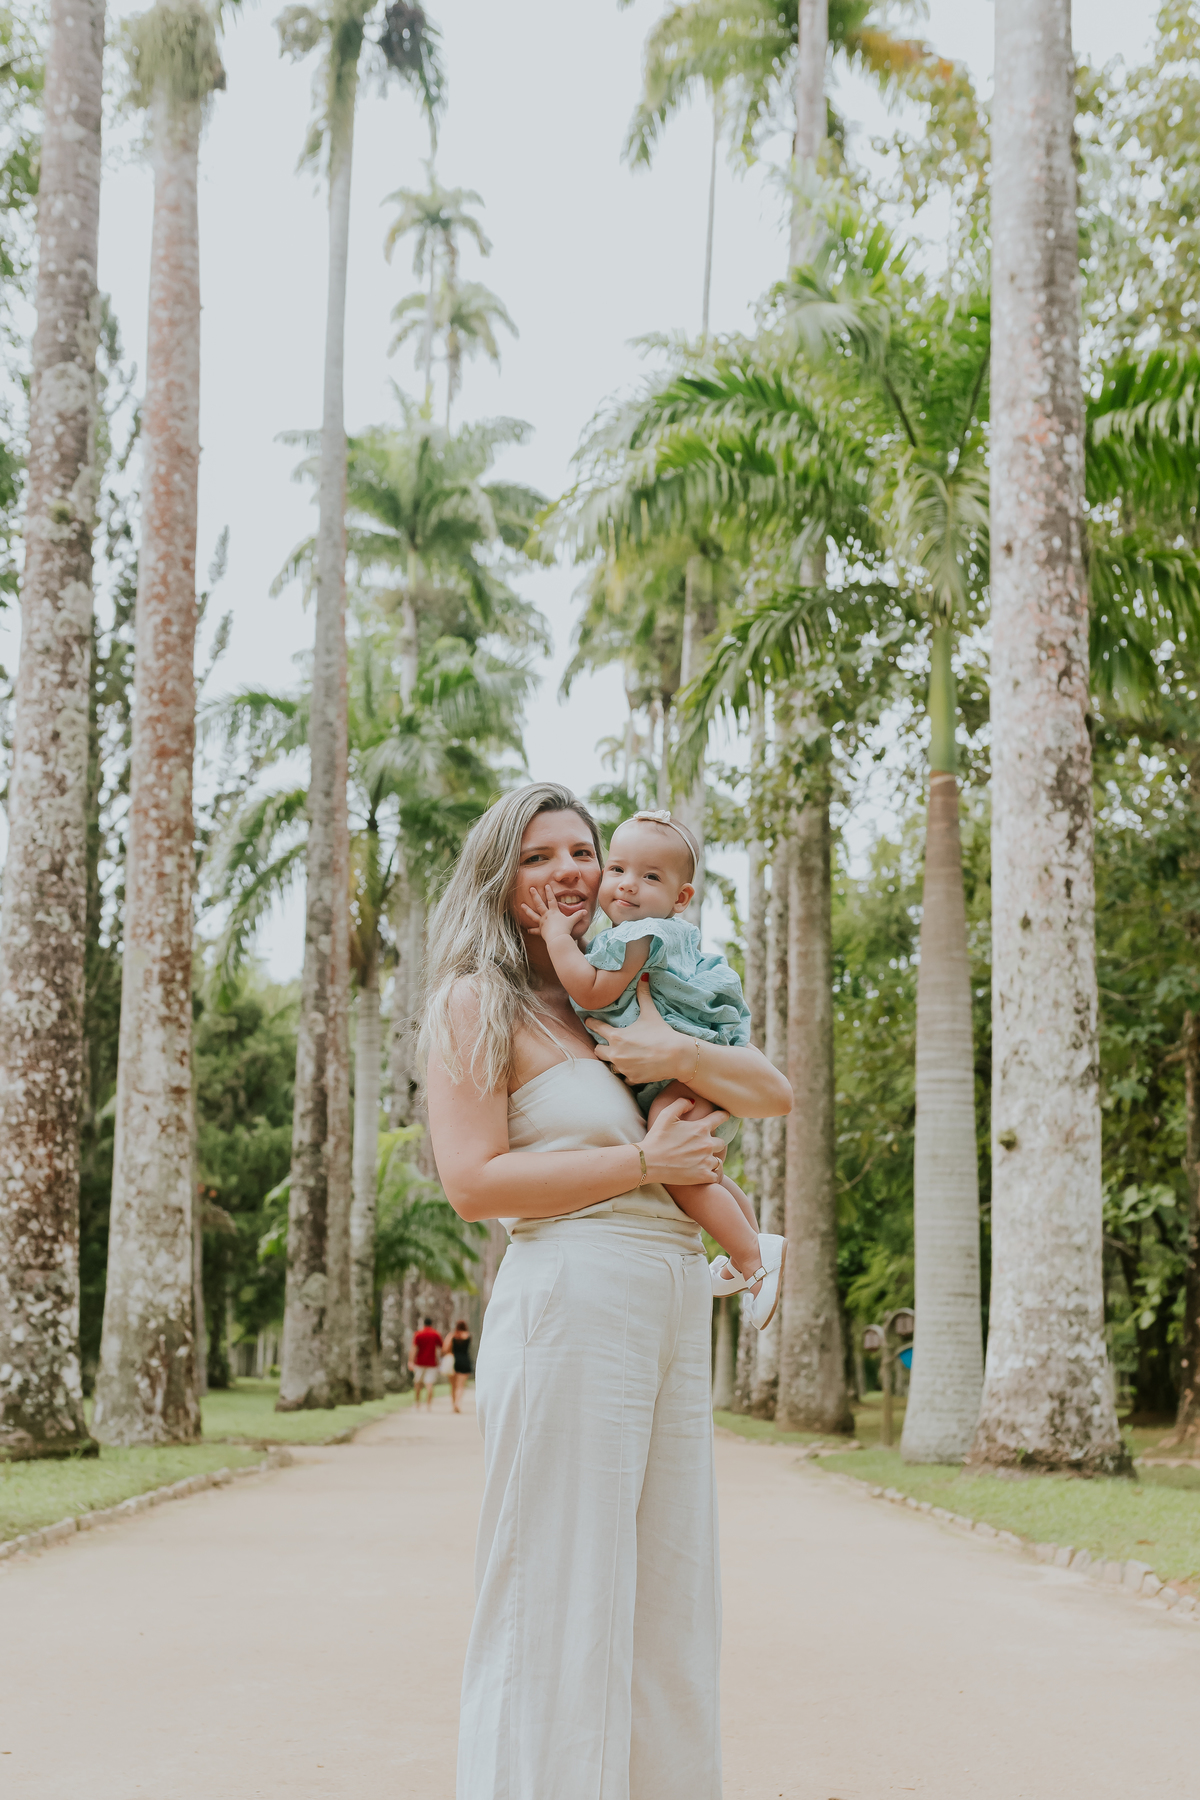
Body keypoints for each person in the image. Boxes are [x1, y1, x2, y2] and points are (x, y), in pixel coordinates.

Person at [423, 781, 791, 1800]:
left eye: (581, 851)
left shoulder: (626, 995)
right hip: (571, 1296)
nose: (569, 871)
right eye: (538, 856)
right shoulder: (476, 1002)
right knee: (559, 1589)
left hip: (669, 1298)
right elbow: (472, 1185)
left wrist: (679, 1051)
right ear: (502, 879)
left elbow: (772, 1092)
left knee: (671, 1599)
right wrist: (641, 1164)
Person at [521, 806, 785, 1327]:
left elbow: (592, 991)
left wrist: (556, 937)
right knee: (700, 1167)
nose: (627, 885)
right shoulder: (648, 934)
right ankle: (753, 1243)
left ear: (681, 898)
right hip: (686, 1068)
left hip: (682, 1070)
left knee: (677, 1167)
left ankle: (753, 1261)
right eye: (618, 869)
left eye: (650, 877)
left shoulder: (637, 935)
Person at [410, 1315, 442, 1408]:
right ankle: (428, 1404)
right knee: (429, 1384)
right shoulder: (435, 1334)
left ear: (423, 1324)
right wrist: (439, 1360)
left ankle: (417, 1403)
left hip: (419, 1362)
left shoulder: (418, 1334)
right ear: (431, 1324)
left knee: (418, 1384)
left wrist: (411, 1361)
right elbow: (441, 1347)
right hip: (432, 1363)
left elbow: (414, 1349)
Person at [445, 1318, 473, 1413]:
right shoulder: (468, 1336)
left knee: (453, 1386)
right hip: (465, 1361)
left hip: (454, 1362)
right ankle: (458, 1403)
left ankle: (454, 1404)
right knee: (460, 1386)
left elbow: (445, 1349)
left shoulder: (452, 1335)